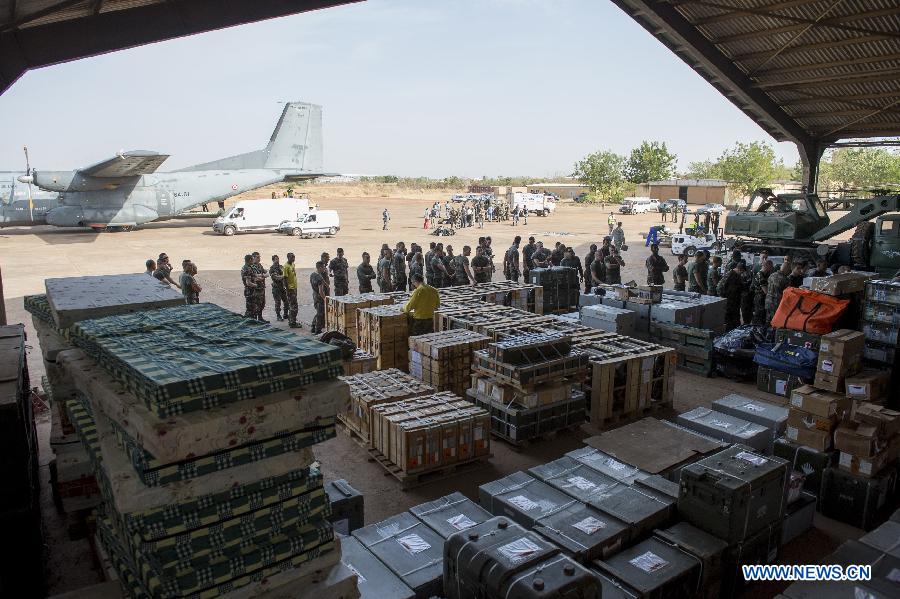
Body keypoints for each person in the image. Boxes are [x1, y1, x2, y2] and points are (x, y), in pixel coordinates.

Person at [718, 260, 747, 330]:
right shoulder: (730, 275)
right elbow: (719, 288)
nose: (742, 273)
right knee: (729, 320)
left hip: (735, 302)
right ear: (739, 269)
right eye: (742, 272)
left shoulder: (736, 275)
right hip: (729, 302)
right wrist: (724, 299)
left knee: (735, 319)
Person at [751, 259, 773, 325]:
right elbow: (766, 291)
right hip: (760, 299)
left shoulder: (766, 274)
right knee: (759, 317)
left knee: (762, 316)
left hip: (763, 298)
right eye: (771, 266)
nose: (772, 268)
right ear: (767, 266)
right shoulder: (760, 275)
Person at [310, 261, 328, 334]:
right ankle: (318, 330)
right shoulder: (319, 277)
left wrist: (326, 284)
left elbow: (322, 282)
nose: (324, 268)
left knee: (318, 312)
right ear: (320, 268)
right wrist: (325, 299)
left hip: (314, 295)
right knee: (320, 314)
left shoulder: (313, 274)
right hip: (319, 297)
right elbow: (321, 291)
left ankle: (313, 327)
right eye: (323, 267)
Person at [250, 252, 268, 321]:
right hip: (256, 289)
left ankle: (260, 318)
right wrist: (262, 276)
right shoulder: (252, 267)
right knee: (256, 305)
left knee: (262, 304)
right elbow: (256, 278)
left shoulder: (260, 265)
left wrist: (262, 276)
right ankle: (255, 319)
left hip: (262, 288)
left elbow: (266, 273)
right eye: (257, 257)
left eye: (259, 257)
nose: (259, 259)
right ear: (253, 258)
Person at [283, 253, 299, 328]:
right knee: (294, 306)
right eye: (292, 257)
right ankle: (293, 322)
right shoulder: (286, 266)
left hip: (294, 288)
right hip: (290, 289)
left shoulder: (292, 264)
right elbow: (285, 279)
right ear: (288, 258)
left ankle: (291, 320)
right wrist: (288, 289)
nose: (293, 259)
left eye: (294, 257)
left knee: (292, 305)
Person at [269, 255, 287, 320]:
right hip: (276, 288)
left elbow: (286, 273)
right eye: (276, 259)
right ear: (273, 260)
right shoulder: (272, 269)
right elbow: (276, 277)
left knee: (286, 301)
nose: (278, 260)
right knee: (278, 302)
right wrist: (284, 276)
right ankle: (278, 316)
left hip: (282, 287)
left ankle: (285, 314)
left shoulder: (281, 267)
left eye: (278, 259)